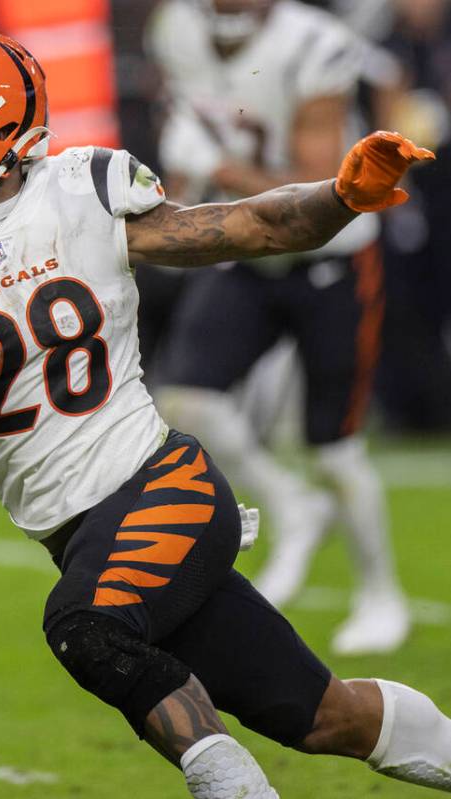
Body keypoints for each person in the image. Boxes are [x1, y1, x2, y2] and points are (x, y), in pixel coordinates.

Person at [0, 26, 449, 798]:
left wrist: (340, 195)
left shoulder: (81, 190)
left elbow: (253, 224)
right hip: (83, 534)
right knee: (323, 717)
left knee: (84, 627)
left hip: (161, 486)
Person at [147, 0, 412, 656]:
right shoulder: (175, 26)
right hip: (244, 249)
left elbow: (318, 184)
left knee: (333, 447)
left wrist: (226, 176)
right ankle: (288, 503)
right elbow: (185, 133)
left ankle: (380, 591)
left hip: (329, 255)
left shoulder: (313, 42)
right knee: (186, 398)